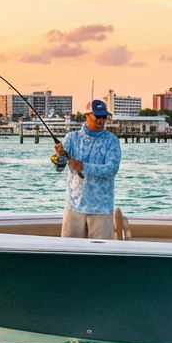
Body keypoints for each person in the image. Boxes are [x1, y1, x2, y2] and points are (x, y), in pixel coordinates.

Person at [54, 100, 122, 239]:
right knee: (70, 254)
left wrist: (84, 166)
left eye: (104, 117)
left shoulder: (112, 141)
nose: (101, 120)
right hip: (74, 206)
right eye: (98, 116)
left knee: (101, 256)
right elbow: (59, 167)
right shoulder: (71, 138)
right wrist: (60, 156)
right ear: (87, 115)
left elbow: (111, 170)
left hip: (101, 209)